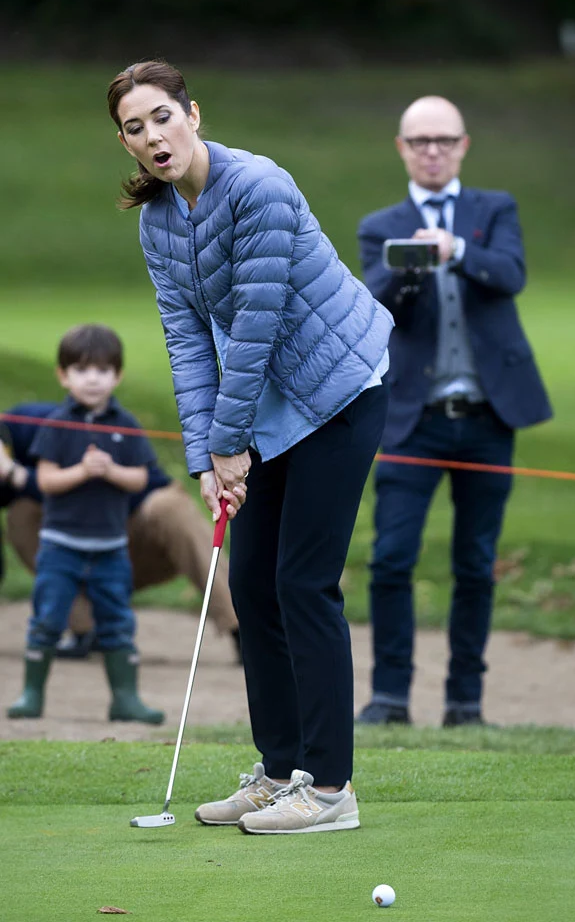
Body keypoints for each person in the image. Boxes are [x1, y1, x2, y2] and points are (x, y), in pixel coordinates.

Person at [107, 60, 393, 833]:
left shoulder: (260, 185)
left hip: (339, 391)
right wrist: (205, 456)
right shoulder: (158, 220)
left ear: (192, 114)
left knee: (304, 585)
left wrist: (230, 443)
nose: (152, 137)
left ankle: (331, 791)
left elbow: (259, 325)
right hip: (267, 411)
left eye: (162, 116)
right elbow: (188, 341)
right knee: (253, 588)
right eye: (134, 128)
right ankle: (278, 772)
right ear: (127, 144)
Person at [356, 96, 552, 727]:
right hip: (412, 418)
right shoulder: (380, 223)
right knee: (391, 559)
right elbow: (376, 303)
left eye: (444, 140)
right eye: (420, 141)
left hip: (489, 416)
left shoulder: (493, 210)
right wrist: (411, 264)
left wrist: (456, 251)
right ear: (401, 149)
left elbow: (512, 274)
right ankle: (389, 697)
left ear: (464, 145)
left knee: (475, 562)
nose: (432, 151)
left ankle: (465, 703)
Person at [7, 324, 165, 724]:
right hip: (60, 546)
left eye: (103, 370)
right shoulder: (57, 424)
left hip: (111, 547)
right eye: (81, 370)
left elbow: (141, 479)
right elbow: (45, 481)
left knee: (117, 621)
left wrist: (111, 470)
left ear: (118, 375)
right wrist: (81, 471)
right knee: (47, 618)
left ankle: (125, 700)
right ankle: (32, 695)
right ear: (63, 375)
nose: (93, 379)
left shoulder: (125, 425)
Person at [0, 402, 241, 662]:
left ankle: (240, 628)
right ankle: (86, 630)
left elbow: (112, 485)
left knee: (170, 507)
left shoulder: (37, 420)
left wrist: (18, 475)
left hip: (137, 533)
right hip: (78, 551)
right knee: (21, 516)